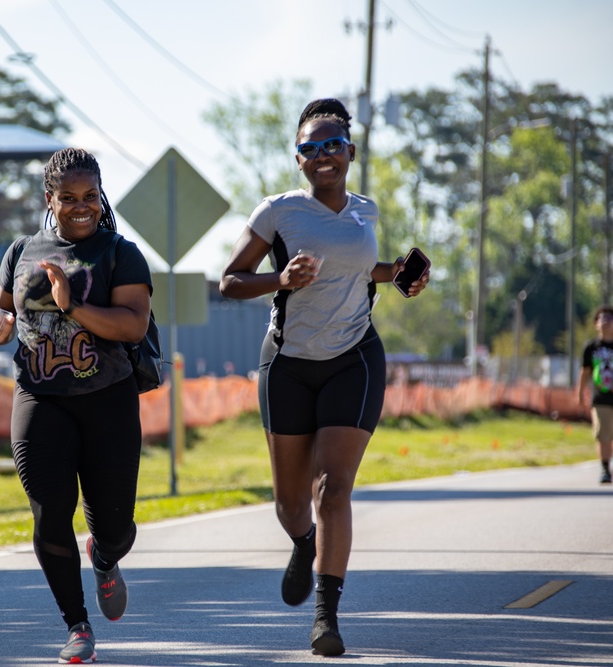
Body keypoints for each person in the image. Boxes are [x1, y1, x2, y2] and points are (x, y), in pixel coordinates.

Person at [219, 98, 429, 657]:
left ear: (350, 152)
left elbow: (362, 274)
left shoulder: (367, 211)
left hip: (353, 358)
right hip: (287, 364)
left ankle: (326, 617)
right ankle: (303, 542)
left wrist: (400, 277)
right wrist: (280, 281)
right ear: (299, 158)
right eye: (310, 149)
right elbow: (231, 280)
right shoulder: (278, 212)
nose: (323, 156)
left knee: (333, 489)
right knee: (291, 505)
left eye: (332, 145)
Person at [0, 147, 152, 664]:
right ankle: (77, 626)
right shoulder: (20, 252)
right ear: (49, 199)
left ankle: (105, 557)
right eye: (68, 198)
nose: (81, 207)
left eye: (91, 197)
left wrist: (72, 303)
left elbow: (133, 325)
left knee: (115, 526)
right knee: (50, 511)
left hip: (108, 400)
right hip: (40, 397)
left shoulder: (121, 253)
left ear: (101, 197)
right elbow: (1, 318)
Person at [577, 304, 613, 484]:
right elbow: (586, 371)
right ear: (596, 324)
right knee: (603, 434)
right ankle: (605, 469)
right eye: (602, 318)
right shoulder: (591, 348)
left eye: (609, 318)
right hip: (600, 398)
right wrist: (580, 393)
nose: (606, 322)